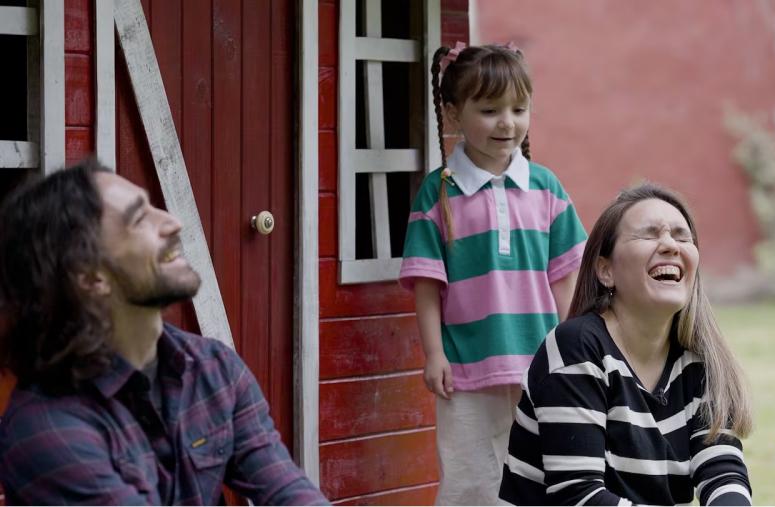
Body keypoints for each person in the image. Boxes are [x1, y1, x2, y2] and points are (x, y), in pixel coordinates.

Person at [0, 160, 329, 505]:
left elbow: (288, 491)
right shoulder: (48, 429)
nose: (173, 222)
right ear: (89, 276)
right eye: (140, 219)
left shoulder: (212, 368)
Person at [399, 42, 587, 505]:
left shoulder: (546, 187)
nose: (507, 123)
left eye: (519, 109)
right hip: (464, 367)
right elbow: (426, 283)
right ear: (453, 113)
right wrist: (433, 354)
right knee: (469, 479)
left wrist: (574, 348)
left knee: (542, 473)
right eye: (489, 109)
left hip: (541, 365)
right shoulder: (437, 190)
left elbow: (565, 277)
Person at [500, 183, 753, 505]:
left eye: (681, 235)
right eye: (649, 234)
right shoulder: (576, 347)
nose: (670, 245)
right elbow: (579, 496)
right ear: (606, 271)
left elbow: (722, 469)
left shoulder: (698, 361)